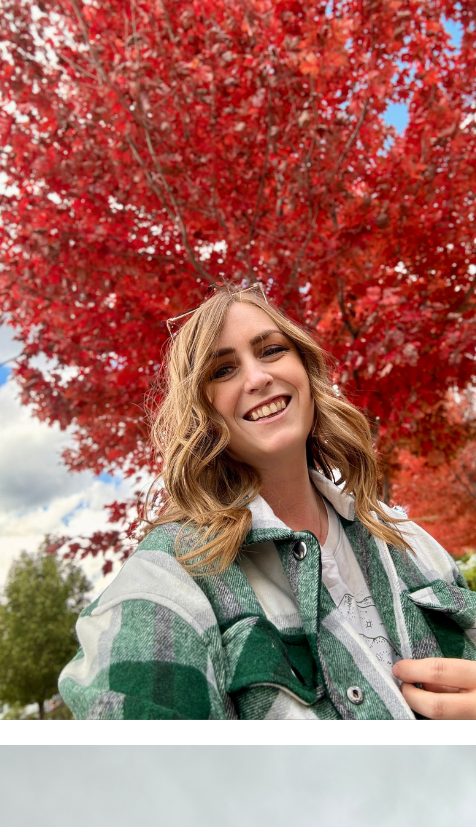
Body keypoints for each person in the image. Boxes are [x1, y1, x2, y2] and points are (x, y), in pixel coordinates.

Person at [59, 282, 476, 719]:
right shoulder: (169, 582)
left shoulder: (406, 539)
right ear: (201, 410)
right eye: (222, 371)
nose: (257, 378)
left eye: (272, 350)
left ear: (305, 368)